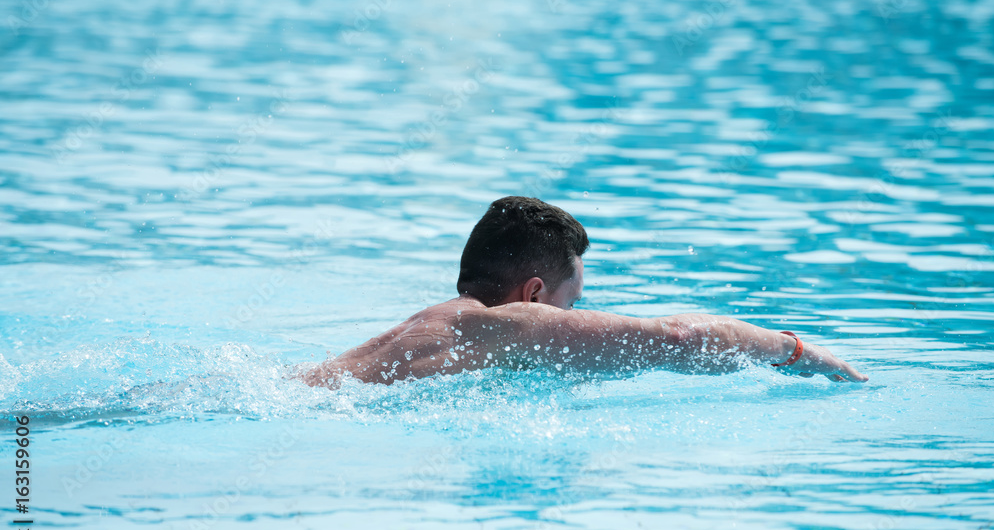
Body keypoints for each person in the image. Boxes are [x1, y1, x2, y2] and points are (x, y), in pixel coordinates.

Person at [300, 196, 867, 387]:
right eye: (573, 306)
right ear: (536, 294)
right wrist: (798, 351)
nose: (573, 320)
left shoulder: (435, 323)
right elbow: (683, 338)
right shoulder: (513, 322)